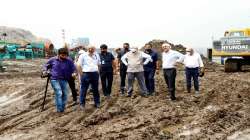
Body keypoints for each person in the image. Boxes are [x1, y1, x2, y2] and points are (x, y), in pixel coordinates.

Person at [43, 47, 76, 112]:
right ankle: (59, 109)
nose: (64, 57)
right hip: (54, 79)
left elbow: (73, 69)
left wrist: (74, 73)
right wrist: (45, 70)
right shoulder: (53, 59)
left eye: (66, 55)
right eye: (62, 55)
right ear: (59, 54)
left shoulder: (69, 61)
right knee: (59, 93)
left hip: (64, 79)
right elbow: (46, 65)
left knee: (65, 94)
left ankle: (62, 109)